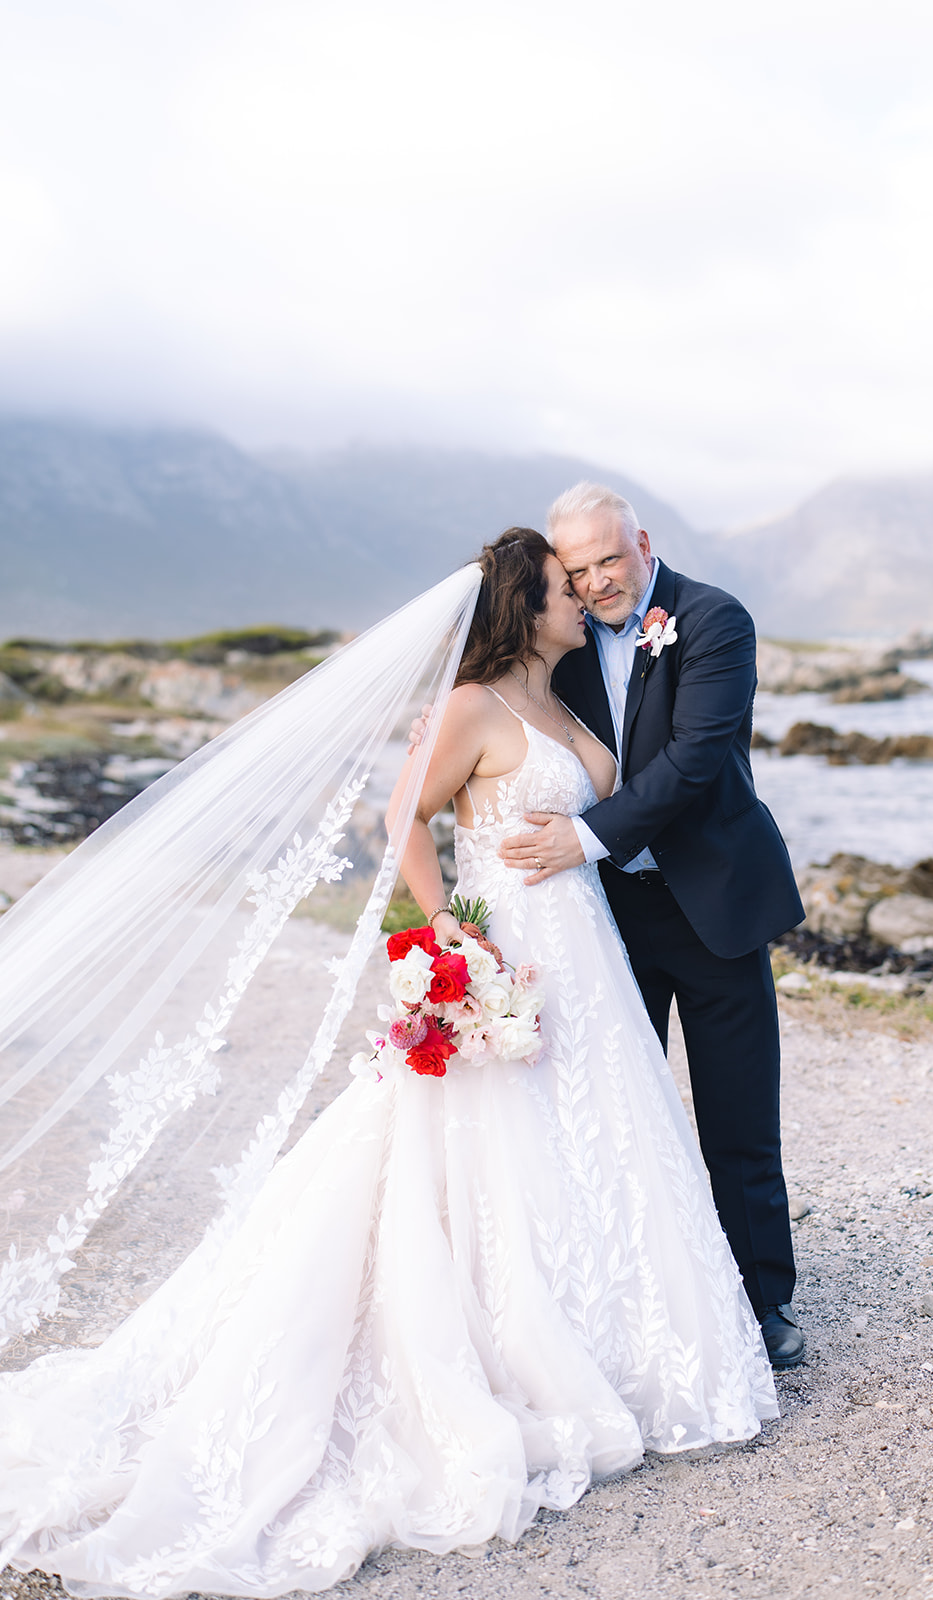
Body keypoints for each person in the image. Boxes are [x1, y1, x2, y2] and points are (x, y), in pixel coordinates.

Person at [0, 530, 776, 1600]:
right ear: (524, 604)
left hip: (586, 953)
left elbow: (644, 779)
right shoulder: (471, 707)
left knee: (590, 1140)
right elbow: (399, 816)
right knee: (472, 1150)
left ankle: (611, 1329)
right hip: (509, 944)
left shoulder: (563, 702)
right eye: (561, 586)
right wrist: (449, 937)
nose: (578, 598)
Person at [496, 485, 807, 1369]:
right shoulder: (557, 639)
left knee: (738, 1117)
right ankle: (626, 1298)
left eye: (609, 559)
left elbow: (695, 759)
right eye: (578, 569)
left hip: (713, 905)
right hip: (603, 916)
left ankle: (763, 1301)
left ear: (641, 541)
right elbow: (502, 704)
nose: (596, 582)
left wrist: (583, 837)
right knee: (609, 1113)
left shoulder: (713, 620)